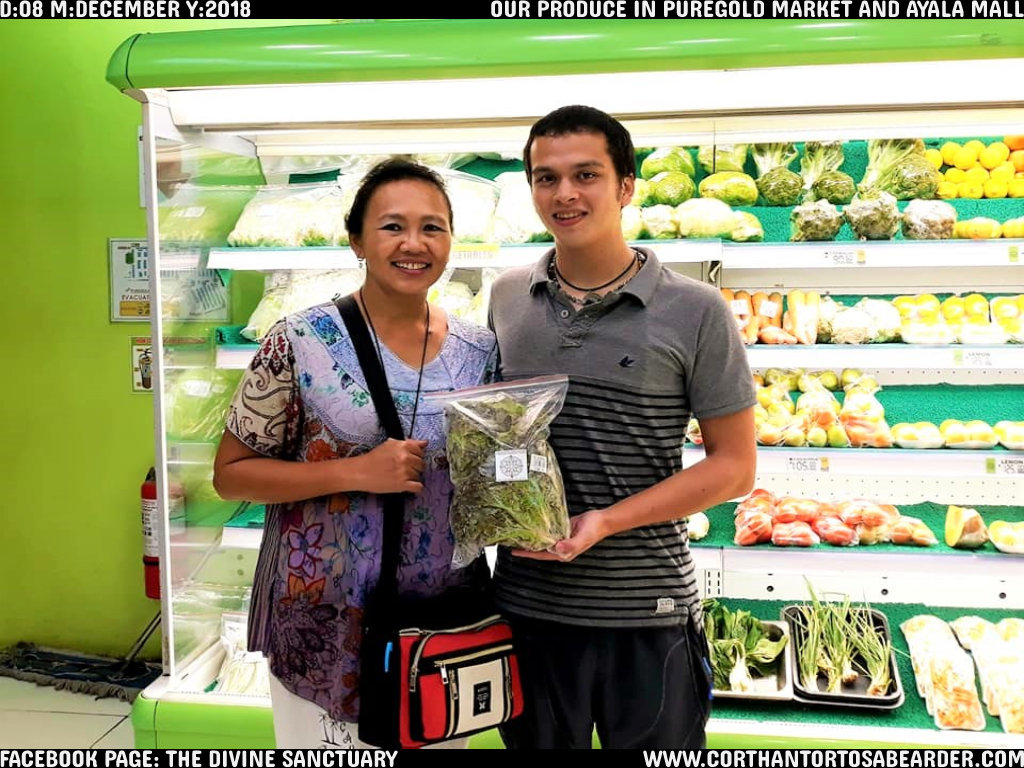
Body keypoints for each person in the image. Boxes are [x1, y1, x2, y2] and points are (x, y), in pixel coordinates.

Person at [488, 105, 758, 749]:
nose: (565, 193)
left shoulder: (697, 309)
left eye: (586, 175)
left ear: (626, 186)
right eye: (546, 178)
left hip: (647, 610)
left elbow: (735, 468)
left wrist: (605, 522)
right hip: (526, 608)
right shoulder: (506, 296)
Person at [213, 158, 497, 750]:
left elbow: (484, 478)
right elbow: (232, 476)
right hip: (323, 619)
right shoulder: (299, 341)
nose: (414, 243)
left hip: (439, 624)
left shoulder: (479, 351)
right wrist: (356, 472)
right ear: (357, 241)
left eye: (433, 227)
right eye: (393, 226)